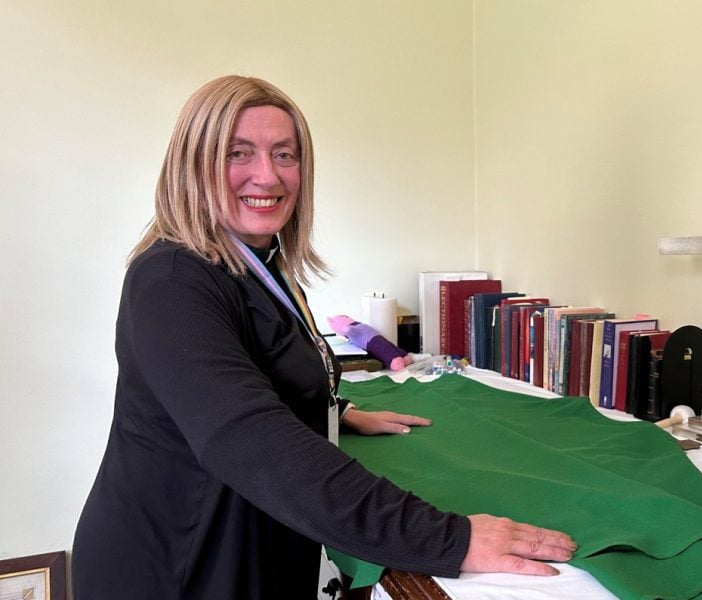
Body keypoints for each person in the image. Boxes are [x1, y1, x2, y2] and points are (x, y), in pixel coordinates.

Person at [71, 75, 576, 600]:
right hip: (176, 569)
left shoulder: (261, 264)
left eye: (284, 155)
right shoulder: (172, 280)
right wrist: (450, 538)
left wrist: (334, 408)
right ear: (191, 164)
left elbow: (258, 369)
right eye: (237, 153)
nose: (267, 176)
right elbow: (251, 439)